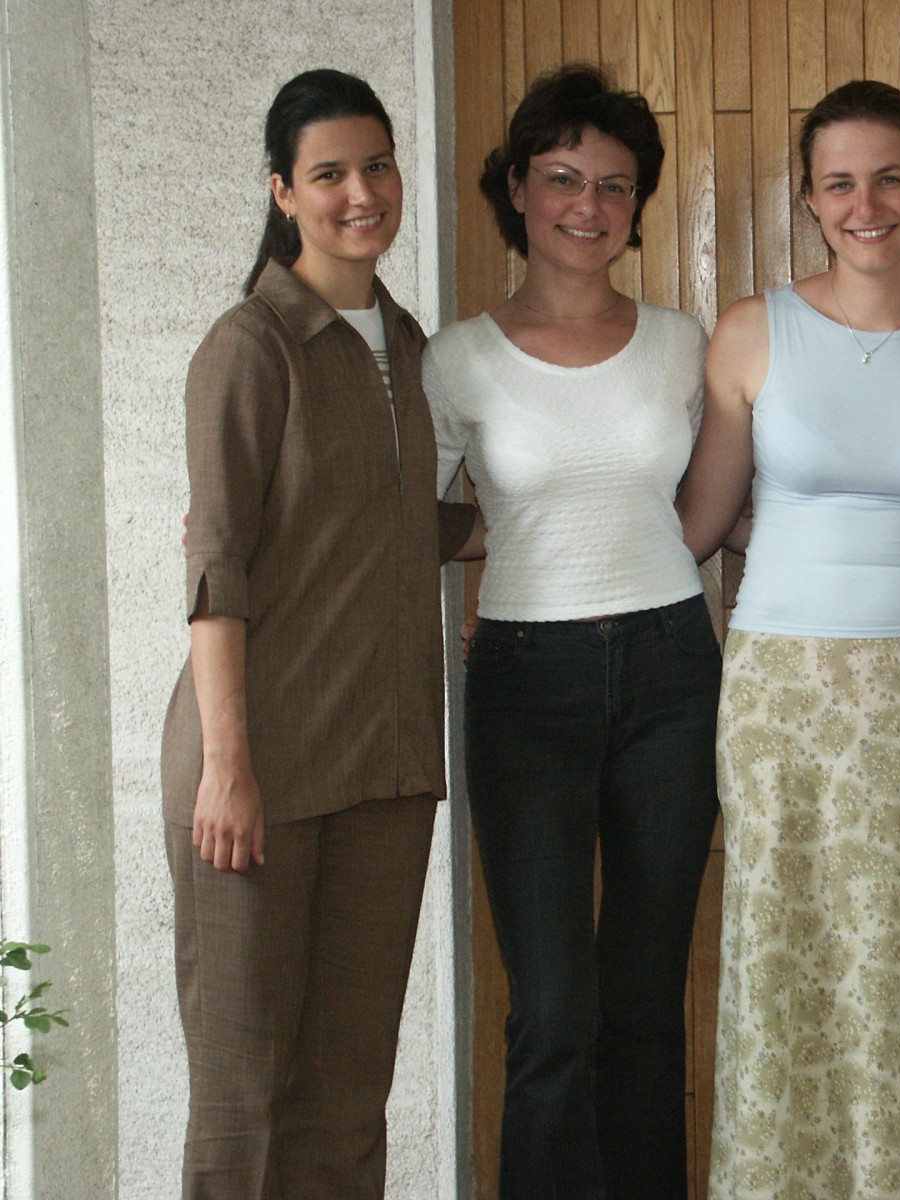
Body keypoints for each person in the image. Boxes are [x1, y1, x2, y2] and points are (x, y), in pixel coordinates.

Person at [675, 79, 900, 1199]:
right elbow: (698, 523)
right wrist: (522, 588)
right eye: (839, 183)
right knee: (783, 948)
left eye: (889, 177)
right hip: (780, 692)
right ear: (808, 198)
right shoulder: (751, 332)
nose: (865, 204)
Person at [161, 69, 478, 1200]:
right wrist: (228, 766)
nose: (362, 193)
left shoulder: (413, 346)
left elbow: (410, 527)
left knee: (347, 1101)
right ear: (283, 192)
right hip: (258, 766)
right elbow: (218, 569)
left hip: (388, 768)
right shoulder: (253, 344)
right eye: (330, 173)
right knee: (245, 1101)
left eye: (377, 166)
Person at [425, 65, 721, 1200]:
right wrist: (501, 559)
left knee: (643, 1003)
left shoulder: (682, 344)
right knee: (551, 1012)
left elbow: (718, 499)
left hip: (671, 672)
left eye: (614, 185)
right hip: (524, 684)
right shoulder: (456, 358)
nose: (587, 206)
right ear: (516, 188)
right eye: (561, 178)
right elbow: (419, 519)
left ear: (636, 205)